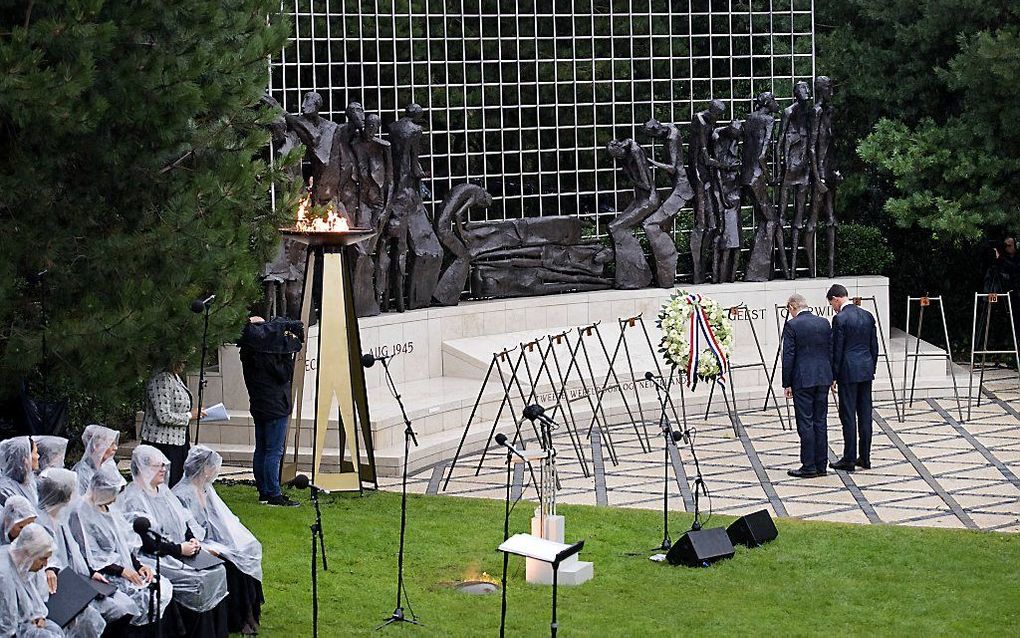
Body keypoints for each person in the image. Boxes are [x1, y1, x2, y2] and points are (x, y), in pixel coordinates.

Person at [121, 446, 229, 636]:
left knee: (217, 570)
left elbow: (182, 518)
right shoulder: (134, 499)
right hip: (155, 556)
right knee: (198, 580)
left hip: (179, 549)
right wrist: (178, 549)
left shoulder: (163, 491)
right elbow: (145, 540)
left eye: (164, 465)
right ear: (144, 468)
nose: (163, 469)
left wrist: (191, 538)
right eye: (157, 466)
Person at [69, 465, 174, 633]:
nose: (115, 499)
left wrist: (139, 566)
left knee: (158, 586)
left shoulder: (108, 507)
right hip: (103, 572)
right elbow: (91, 555)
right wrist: (122, 571)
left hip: (123, 566)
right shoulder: (81, 513)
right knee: (139, 597)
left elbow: (122, 544)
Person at [174, 446, 263, 636]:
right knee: (232, 564)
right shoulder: (182, 493)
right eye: (212, 466)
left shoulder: (206, 489)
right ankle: (240, 618)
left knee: (245, 551)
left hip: (213, 540)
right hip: (195, 543)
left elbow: (221, 520)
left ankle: (249, 612)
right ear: (204, 468)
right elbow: (187, 528)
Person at [36, 468, 134, 629]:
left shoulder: (61, 518)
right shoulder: (41, 523)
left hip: (78, 580)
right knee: (96, 617)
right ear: (65, 495)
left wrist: (91, 572)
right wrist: (51, 569)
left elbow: (74, 554)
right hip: (59, 591)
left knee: (122, 605)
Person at [238, 316, 301, 507]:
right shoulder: (272, 354)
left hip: (259, 404)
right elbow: (283, 375)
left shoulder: (248, 352)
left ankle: (264, 491)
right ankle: (273, 493)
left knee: (262, 449)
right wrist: (287, 353)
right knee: (274, 451)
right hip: (275, 406)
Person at [827, 284, 879, 471]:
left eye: (832, 303)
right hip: (865, 369)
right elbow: (874, 346)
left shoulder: (840, 318)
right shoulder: (867, 315)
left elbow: (837, 349)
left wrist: (833, 375)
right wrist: (871, 367)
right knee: (865, 414)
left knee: (848, 414)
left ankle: (849, 457)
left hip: (848, 371)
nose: (833, 307)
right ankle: (865, 457)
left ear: (836, 299)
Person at [782, 293, 834, 478]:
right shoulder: (823, 322)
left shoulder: (792, 325)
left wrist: (786, 382)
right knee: (820, 421)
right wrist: (832, 375)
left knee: (805, 422)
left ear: (791, 307)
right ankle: (821, 465)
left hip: (802, 380)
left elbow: (788, 355)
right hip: (823, 377)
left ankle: (809, 466)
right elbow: (831, 349)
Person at [140, 360, 204, 487]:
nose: (185, 362)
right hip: (162, 444)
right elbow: (163, 416)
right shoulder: (160, 379)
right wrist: (190, 415)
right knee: (165, 485)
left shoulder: (175, 377)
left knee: (178, 484)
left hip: (179, 441)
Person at [0, 523, 65, 637]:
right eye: (43, 559)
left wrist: (38, 616)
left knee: (56, 631)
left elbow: (33, 600)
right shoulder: (4, 575)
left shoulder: (25, 563)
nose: (45, 564)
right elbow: (7, 626)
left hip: (25, 624)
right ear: (29, 553)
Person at [72, 425, 119, 495]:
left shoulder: (106, 468)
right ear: (96, 446)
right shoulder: (82, 473)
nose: (115, 448)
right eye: (111, 444)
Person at [0, 436, 40, 506]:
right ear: (25, 459)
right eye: (35, 452)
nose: (38, 456)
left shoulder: (30, 482)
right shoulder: (5, 491)